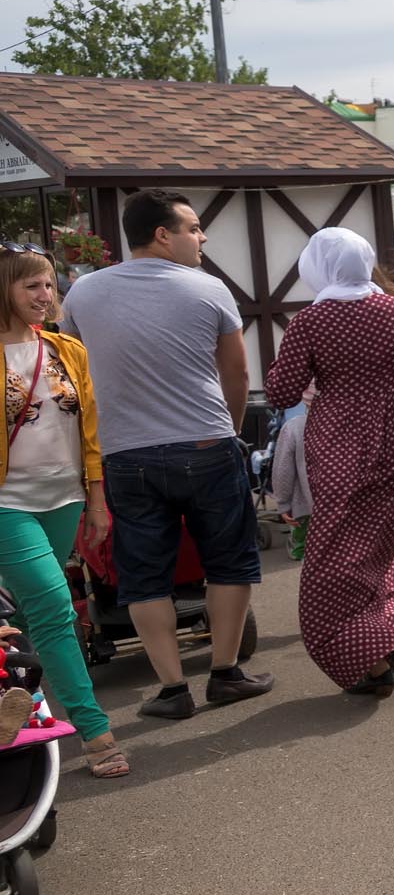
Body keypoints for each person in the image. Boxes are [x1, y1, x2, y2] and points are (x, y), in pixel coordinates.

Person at [59, 189, 273, 720]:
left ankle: (172, 690)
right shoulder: (208, 288)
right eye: (194, 228)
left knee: (142, 575)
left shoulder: (82, 293)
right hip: (205, 442)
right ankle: (225, 673)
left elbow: (73, 376)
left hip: (125, 454)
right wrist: (227, 425)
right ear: (163, 234)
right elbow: (238, 374)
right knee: (229, 561)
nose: (201, 238)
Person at [262, 229, 394, 696]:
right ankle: (389, 638)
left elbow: (282, 393)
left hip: (338, 444)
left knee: (335, 553)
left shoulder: (311, 321)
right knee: (384, 540)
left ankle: (366, 658)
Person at [0, 249, 124, 775]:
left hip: (65, 498)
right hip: (7, 504)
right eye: (31, 286)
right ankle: (96, 733)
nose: (45, 296)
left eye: (50, 285)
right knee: (54, 609)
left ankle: (17, 692)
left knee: (31, 614)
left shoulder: (67, 349)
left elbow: (88, 430)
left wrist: (95, 497)